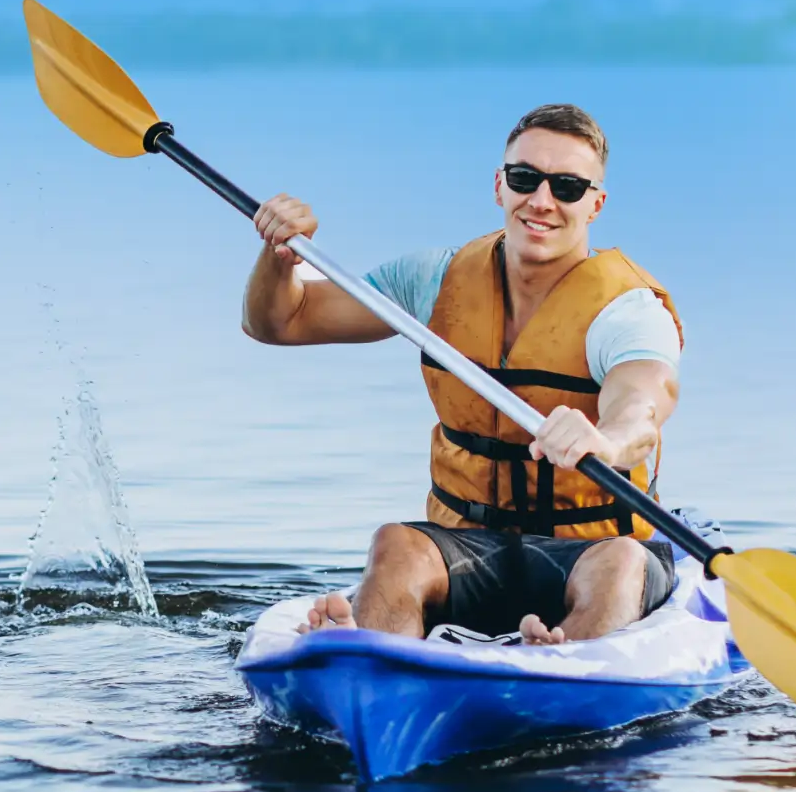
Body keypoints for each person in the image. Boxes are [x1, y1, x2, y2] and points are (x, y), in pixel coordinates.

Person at [241, 104, 682, 645]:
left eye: (567, 186)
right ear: (500, 186)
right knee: (397, 546)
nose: (541, 201)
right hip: (469, 547)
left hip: (593, 547)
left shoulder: (629, 310)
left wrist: (606, 441)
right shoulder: (434, 280)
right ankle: (379, 664)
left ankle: (556, 663)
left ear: (596, 203)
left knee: (621, 565)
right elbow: (280, 322)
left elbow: (644, 404)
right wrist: (278, 257)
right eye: (525, 178)